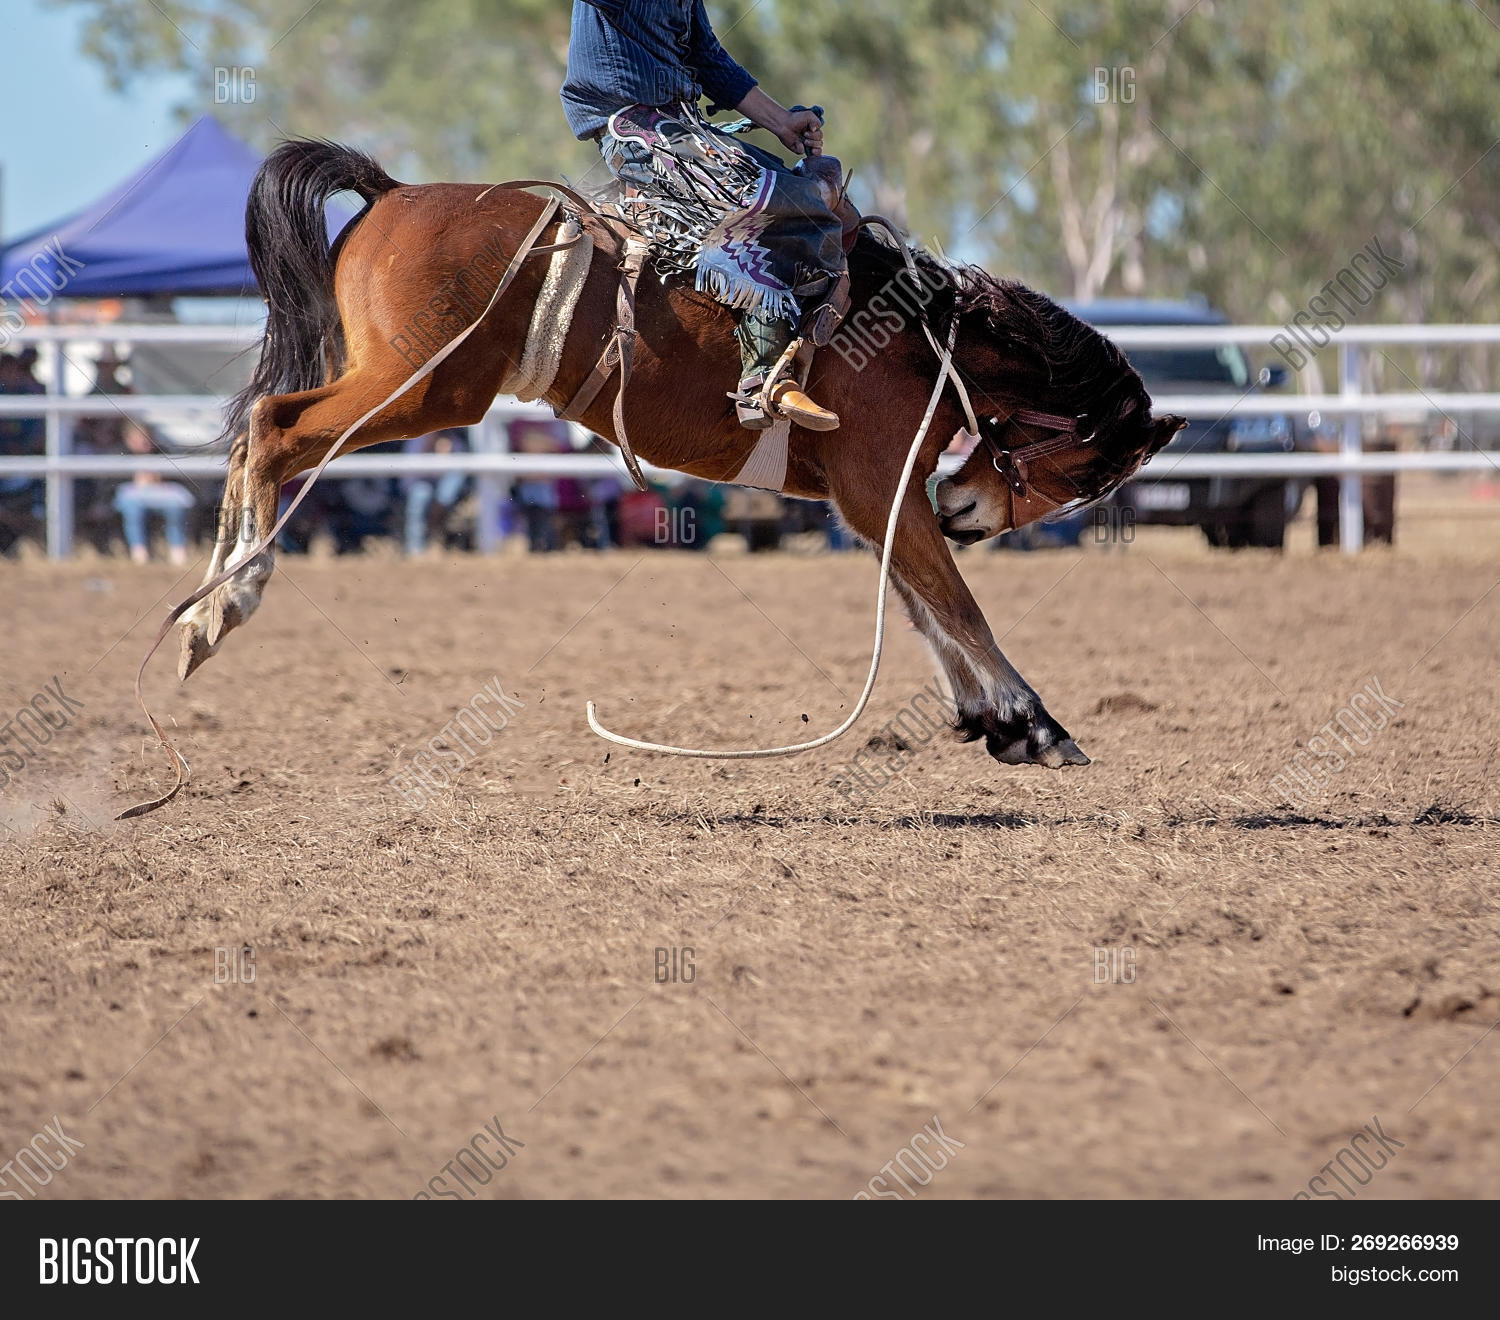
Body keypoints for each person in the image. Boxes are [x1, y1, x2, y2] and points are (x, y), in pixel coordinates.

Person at [562, 0, 849, 432]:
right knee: (783, 202)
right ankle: (763, 375)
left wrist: (782, 122)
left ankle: (811, 343)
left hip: (684, 128)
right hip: (634, 131)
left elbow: (708, 59)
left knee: (827, 196)